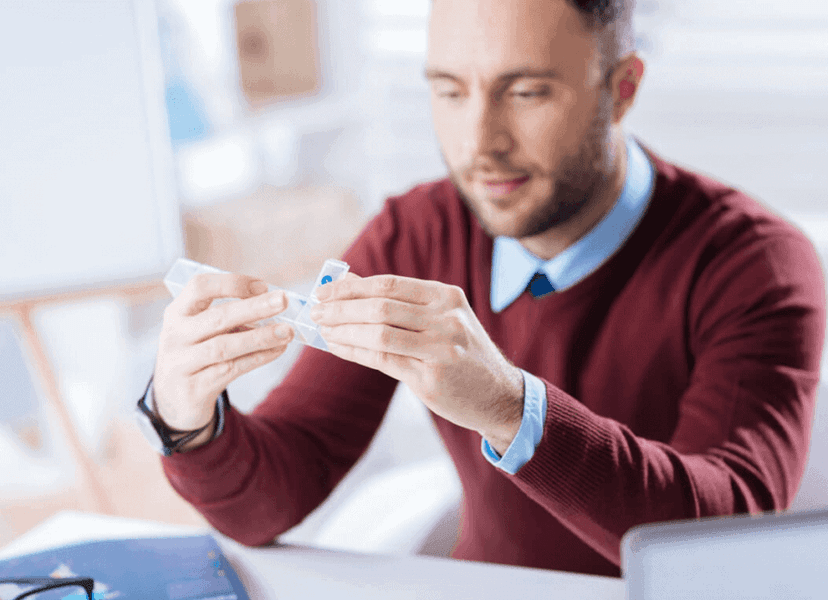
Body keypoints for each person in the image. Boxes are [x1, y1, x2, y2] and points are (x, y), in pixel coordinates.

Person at [139, 0, 826, 577]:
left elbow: (727, 548)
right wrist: (187, 417)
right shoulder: (414, 232)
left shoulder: (755, 263)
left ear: (622, 87)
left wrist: (512, 406)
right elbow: (275, 496)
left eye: (526, 92)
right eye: (449, 89)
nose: (479, 142)